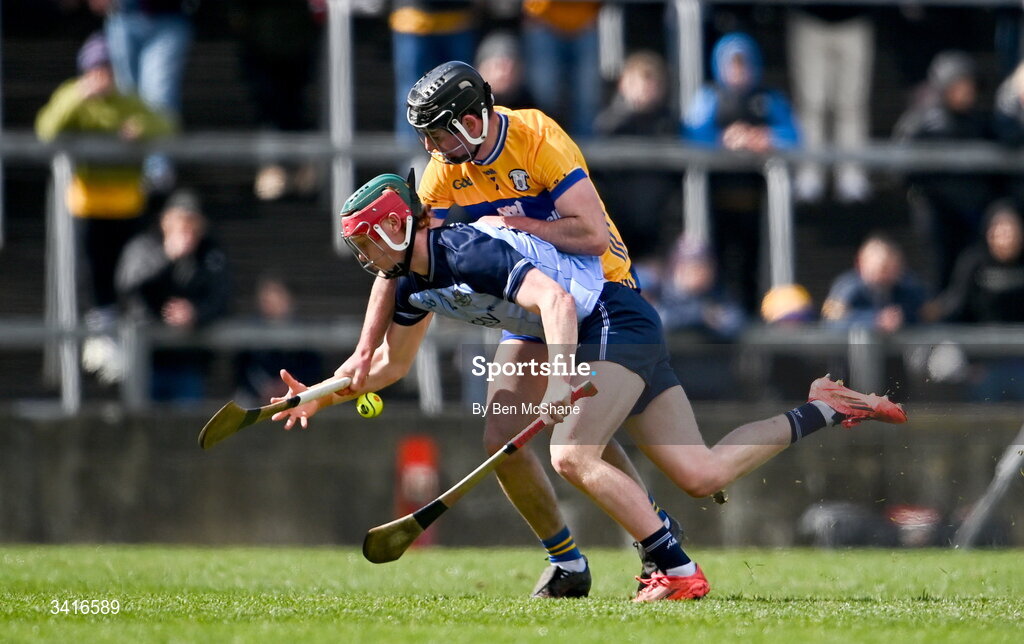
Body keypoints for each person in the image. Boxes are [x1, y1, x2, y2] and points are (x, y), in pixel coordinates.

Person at [269, 172, 908, 601]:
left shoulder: (466, 250)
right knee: (702, 472)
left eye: (364, 245)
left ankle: (676, 570)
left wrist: (564, 376)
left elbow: (555, 302)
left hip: (608, 322)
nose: (363, 261)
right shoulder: (409, 281)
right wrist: (318, 395)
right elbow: (390, 368)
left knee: (572, 452)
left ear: (389, 230)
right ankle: (823, 407)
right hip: (596, 330)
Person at [333, 60, 673, 599]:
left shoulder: (538, 138)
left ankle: (664, 550)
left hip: (598, 292)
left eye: (438, 131)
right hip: (533, 303)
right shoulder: (444, 168)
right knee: (502, 437)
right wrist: (362, 352)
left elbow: (592, 238)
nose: (432, 147)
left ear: (472, 119)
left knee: (608, 450)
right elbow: (401, 259)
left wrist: (516, 226)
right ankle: (567, 563)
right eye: (424, 135)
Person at [35, 32, 175, 381]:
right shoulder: (74, 96)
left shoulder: (128, 102)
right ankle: (99, 335)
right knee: (93, 271)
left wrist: (139, 129)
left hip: (126, 202)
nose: (102, 77)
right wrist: (77, 99)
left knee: (127, 269)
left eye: (106, 70)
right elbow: (47, 129)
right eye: (96, 69)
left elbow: (166, 123)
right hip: (88, 201)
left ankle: (123, 333)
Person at [683, 32, 801, 311]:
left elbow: (794, 136)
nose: (738, 71)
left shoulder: (768, 100)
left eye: (743, 64)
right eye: (732, 65)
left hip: (756, 202)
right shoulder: (708, 98)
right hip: (716, 201)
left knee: (752, 267)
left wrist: (764, 138)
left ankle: (752, 312)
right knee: (718, 263)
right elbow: (691, 136)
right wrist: (723, 140)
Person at [116, 189, 231, 402]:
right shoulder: (143, 247)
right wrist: (167, 258)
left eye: (192, 224)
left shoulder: (210, 255)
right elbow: (130, 289)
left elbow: (220, 299)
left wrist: (195, 313)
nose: (187, 231)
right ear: (166, 222)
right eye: (181, 222)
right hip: (146, 358)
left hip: (187, 361)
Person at [894, 50, 993, 291]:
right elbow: (902, 169)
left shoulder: (981, 123)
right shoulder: (920, 123)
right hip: (936, 212)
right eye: (959, 85)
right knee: (939, 271)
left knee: (973, 271)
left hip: (974, 213)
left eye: (969, 86)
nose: (965, 92)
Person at [89, 0, 198, 192]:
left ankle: (158, 170)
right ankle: (130, 165)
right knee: (126, 94)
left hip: (168, 16)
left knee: (159, 94)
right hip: (122, 15)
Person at [593, 50, 679, 260]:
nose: (646, 90)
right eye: (641, 82)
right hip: (617, 221)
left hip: (659, 223)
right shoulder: (608, 125)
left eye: (653, 84)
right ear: (623, 84)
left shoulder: (670, 126)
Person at [787, 5, 874, 203]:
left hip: (855, 19)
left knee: (851, 104)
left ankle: (852, 175)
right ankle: (809, 174)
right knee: (810, 104)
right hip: (809, 17)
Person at [234, 274, 323, 406]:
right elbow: (243, 369)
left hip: (296, 391)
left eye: (276, 294)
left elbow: (312, 367)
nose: (270, 300)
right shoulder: (250, 330)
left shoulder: (303, 331)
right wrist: (263, 387)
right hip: (257, 394)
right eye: (266, 295)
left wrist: (290, 384)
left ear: (289, 299)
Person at [521, 0, 603, 137]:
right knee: (545, 92)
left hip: (587, 21)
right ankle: (544, 141)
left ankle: (585, 152)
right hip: (542, 21)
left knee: (587, 94)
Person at [821, 233, 927, 333]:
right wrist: (874, 320)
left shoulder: (909, 287)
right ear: (861, 264)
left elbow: (926, 317)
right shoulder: (846, 287)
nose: (887, 275)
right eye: (882, 268)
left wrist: (903, 318)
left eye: (894, 268)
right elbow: (830, 319)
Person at [475, 31, 535, 111]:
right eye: (497, 65)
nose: (504, 73)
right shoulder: (468, 107)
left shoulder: (531, 112)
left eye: (511, 67)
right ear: (480, 69)